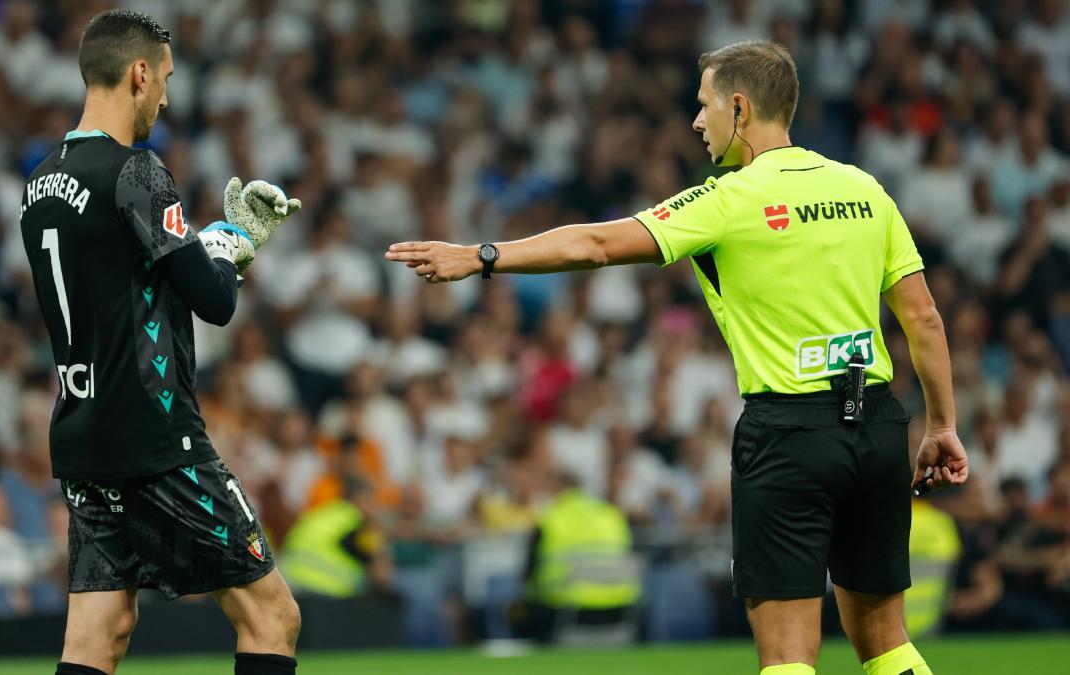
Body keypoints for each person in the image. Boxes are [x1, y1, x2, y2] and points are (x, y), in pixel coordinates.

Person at [385, 40, 969, 675]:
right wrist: (941, 426)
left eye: (705, 105)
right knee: (888, 642)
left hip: (790, 435)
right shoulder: (865, 190)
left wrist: (482, 256)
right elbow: (923, 318)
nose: (697, 121)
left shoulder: (728, 198)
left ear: (739, 108)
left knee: (788, 655)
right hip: (877, 425)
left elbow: (596, 245)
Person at [18, 10, 302, 675]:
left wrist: (204, 249)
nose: (167, 97)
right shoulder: (137, 172)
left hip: (83, 438)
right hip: (156, 438)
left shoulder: (39, 185)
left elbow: (128, 283)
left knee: (99, 633)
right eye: (166, 79)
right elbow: (215, 301)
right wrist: (236, 244)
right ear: (139, 73)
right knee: (272, 616)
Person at [512, 472, 640, 643]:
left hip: (564, 612)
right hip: (619, 609)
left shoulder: (550, 518)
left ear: (556, 489)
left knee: (516, 608)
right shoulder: (611, 514)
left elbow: (529, 572)